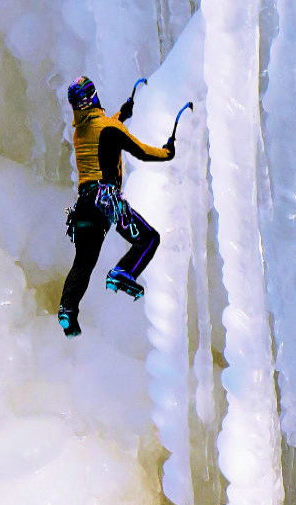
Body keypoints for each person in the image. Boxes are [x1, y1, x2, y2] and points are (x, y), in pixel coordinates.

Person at [57, 75, 175, 337]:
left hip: (83, 209)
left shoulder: (80, 131)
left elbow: (105, 131)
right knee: (148, 239)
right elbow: (140, 150)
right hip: (105, 201)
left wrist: (123, 112)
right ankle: (123, 272)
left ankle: (68, 309)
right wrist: (168, 152)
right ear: (94, 97)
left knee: (83, 262)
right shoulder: (109, 129)